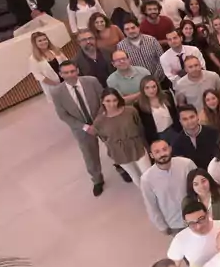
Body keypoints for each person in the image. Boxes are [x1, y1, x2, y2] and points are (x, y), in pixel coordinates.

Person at [52, 60, 109, 195]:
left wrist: (97, 122)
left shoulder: (91, 81)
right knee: (90, 155)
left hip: (101, 121)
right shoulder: (57, 92)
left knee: (113, 145)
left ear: (77, 71)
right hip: (81, 129)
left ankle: (121, 168)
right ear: (61, 74)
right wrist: (85, 127)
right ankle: (97, 180)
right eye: (66, 73)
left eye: (72, 71)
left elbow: (104, 100)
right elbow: (63, 115)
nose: (70, 75)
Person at [93, 88, 151, 183]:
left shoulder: (130, 111)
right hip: (118, 152)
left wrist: (146, 146)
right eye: (108, 101)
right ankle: (147, 196)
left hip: (136, 146)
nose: (112, 104)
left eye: (114, 100)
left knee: (148, 175)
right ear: (102, 101)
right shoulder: (99, 122)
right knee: (135, 177)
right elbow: (104, 138)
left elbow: (140, 128)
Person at [140, 139, 196, 234]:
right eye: (157, 152)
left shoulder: (186, 164)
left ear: (170, 149)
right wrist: (161, 226)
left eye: (164, 149)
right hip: (174, 224)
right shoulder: (147, 179)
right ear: (152, 155)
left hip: (196, 215)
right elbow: (151, 205)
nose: (162, 154)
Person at [166, 105, 220, 169]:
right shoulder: (176, 142)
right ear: (180, 121)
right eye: (185, 119)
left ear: (197, 117)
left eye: (192, 117)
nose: (189, 121)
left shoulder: (213, 133)